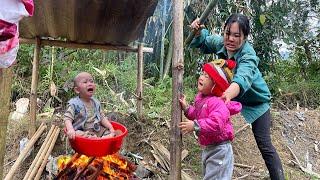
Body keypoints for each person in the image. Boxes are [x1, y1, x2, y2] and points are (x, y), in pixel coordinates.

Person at [189, 13, 285, 179]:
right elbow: (205, 40)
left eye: (236, 35)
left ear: (245, 37)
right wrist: (198, 31)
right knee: (218, 128)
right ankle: (216, 166)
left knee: (264, 144)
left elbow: (243, 78)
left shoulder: (248, 55)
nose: (230, 39)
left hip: (256, 102)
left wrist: (226, 95)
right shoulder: (221, 42)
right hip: (232, 98)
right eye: (228, 33)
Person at [179, 61, 242, 180]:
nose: (201, 77)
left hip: (220, 149)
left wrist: (196, 125)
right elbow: (198, 114)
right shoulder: (203, 99)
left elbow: (217, 124)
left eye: (207, 76)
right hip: (210, 147)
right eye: (202, 73)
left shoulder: (217, 102)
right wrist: (187, 108)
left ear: (215, 85)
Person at [64, 72, 115, 139]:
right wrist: (70, 129)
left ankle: (100, 138)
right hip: (83, 131)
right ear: (77, 90)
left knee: (109, 132)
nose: (90, 84)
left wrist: (111, 128)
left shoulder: (96, 103)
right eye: (85, 82)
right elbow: (67, 118)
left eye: (91, 81)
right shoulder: (74, 104)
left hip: (97, 130)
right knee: (77, 133)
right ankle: (97, 139)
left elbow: (102, 117)